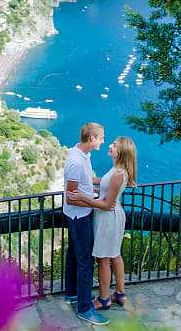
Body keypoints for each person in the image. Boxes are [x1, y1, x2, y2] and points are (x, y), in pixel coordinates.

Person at [69, 137, 137, 310]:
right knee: (115, 255)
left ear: (120, 152)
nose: (110, 146)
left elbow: (107, 204)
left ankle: (104, 298)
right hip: (113, 216)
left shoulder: (117, 174)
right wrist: (88, 183)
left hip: (108, 218)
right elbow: (105, 189)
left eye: (114, 145)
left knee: (103, 259)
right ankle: (120, 294)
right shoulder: (118, 170)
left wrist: (84, 197)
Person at [62, 122, 108, 325]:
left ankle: (72, 294)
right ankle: (85, 308)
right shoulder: (76, 162)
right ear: (91, 139)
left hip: (76, 214)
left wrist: (106, 182)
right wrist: (96, 202)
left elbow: (86, 181)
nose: (103, 141)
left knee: (74, 255)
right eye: (101, 137)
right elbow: (71, 196)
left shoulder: (82, 155)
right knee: (85, 262)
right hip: (78, 216)